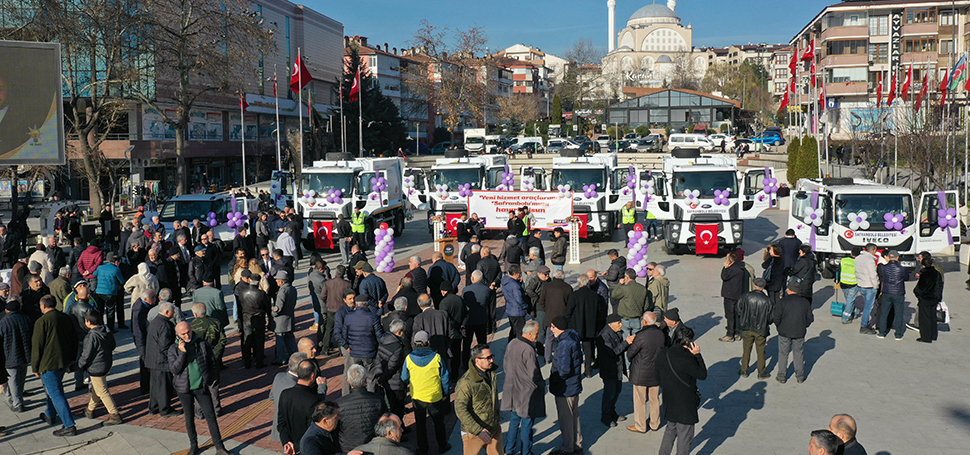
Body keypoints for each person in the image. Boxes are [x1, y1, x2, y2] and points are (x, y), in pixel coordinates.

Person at [168, 320, 230, 455]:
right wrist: (182, 353)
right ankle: (194, 445)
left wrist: (210, 379)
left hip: (201, 387)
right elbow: (175, 369)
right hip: (184, 389)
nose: (187, 335)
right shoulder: (173, 349)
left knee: (211, 416)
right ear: (177, 335)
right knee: (189, 418)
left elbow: (212, 363)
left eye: (188, 332)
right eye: (183, 334)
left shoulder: (202, 343)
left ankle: (219, 447)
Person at [31, 295, 80, 436]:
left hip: (48, 363)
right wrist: (72, 359)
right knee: (52, 390)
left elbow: (37, 346)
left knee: (56, 393)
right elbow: (73, 339)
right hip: (63, 361)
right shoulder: (65, 317)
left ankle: (69, 425)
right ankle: (49, 415)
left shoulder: (41, 322)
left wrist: (35, 367)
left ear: (43, 306)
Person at [657, 326, 707, 455]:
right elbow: (702, 374)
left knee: (670, 431)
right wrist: (698, 355)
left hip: (669, 400)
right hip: (685, 404)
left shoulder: (664, 353)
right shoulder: (687, 359)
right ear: (689, 342)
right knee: (684, 437)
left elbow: (657, 376)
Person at [401, 331, 450, 455]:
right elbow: (444, 377)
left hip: (417, 397)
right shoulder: (436, 357)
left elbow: (404, 377)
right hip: (435, 396)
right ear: (428, 342)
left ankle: (423, 449)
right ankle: (442, 445)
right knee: (439, 423)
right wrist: (445, 393)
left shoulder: (409, 358)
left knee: (420, 425)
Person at [501, 320, 544, 455]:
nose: (538, 336)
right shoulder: (529, 350)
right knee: (526, 425)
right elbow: (533, 373)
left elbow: (505, 365)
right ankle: (526, 452)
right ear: (529, 333)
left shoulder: (512, 343)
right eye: (536, 334)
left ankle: (509, 449)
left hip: (513, 390)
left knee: (514, 422)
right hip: (526, 394)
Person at [78, 309, 122, 425]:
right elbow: (113, 345)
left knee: (102, 390)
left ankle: (114, 414)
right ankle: (90, 410)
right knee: (97, 388)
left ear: (88, 322)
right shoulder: (106, 331)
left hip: (96, 367)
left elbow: (86, 354)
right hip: (106, 364)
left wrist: (79, 365)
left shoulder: (91, 336)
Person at [456, 343, 500, 455]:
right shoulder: (466, 383)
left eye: (492, 356)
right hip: (473, 433)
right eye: (488, 358)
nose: (491, 360)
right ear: (477, 360)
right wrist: (478, 430)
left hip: (493, 429)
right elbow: (460, 409)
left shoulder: (491, 373)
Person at [548, 316, 582, 455]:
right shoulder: (573, 337)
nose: (551, 330)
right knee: (574, 417)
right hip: (574, 385)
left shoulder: (564, 345)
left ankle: (568, 448)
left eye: (553, 327)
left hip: (565, 388)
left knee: (566, 420)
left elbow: (563, 370)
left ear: (558, 327)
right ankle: (577, 444)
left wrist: (554, 380)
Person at [626, 311, 664, 434]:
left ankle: (641, 425)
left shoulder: (641, 336)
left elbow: (630, 353)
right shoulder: (660, 334)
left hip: (640, 373)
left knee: (640, 400)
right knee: (654, 399)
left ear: (645, 322)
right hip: (656, 371)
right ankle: (655, 423)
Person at [336, 364, 386, 452]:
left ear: (348, 381)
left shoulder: (339, 403)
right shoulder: (377, 399)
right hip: (372, 445)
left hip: (348, 448)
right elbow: (384, 420)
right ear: (366, 380)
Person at [278, 360, 324, 455]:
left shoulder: (285, 394)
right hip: (304, 448)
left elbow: (281, 423)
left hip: (290, 446)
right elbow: (312, 430)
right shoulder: (312, 400)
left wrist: (286, 443)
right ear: (312, 376)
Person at [190, 303, 226, 416]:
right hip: (214, 360)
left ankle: (199, 411)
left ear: (195, 314)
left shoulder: (192, 326)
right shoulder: (216, 322)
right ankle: (216, 409)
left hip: (199, 361)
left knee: (200, 386)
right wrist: (216, 354)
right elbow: (222, 340)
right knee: (214, 386)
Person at [774, 282, 814, 384]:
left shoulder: (782, 302)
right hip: (799, 332)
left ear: (788, 289)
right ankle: (800, 376)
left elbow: (776, 318)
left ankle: (781, 376)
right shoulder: (805, 302)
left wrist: (779, 327)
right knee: (798, 354)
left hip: (784, 332)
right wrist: (804, 325)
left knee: (783, 354)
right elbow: (810, 318)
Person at [565, 274, 604, 378]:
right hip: (590, 327)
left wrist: (567, 323)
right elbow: (599, 311)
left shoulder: (574, 295)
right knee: (588, 350)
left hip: (576, 327)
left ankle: (576, 370)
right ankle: (588, 371)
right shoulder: (595, 295)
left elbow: (568, 311)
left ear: (578, 283)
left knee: (576, 350)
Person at [597, 314, 632, 427]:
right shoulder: (605, 335)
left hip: (617, 368)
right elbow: (613, 352)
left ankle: (612, 411)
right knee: (609, 393)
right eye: (618, 323)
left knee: (617, 391)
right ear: (611, 324)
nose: (621, 324)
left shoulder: (616, 332)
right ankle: (605, 416)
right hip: (609, 370)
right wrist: (627, 342)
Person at [373, 319, 410, 420]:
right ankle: (398, 427)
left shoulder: (383, 340)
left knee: (390, 404)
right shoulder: (398, 346)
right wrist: (382, 379)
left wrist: (379, 377)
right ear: (399, 332)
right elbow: (392, 366)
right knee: (397, 408)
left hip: (385, 380)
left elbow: (378, 359)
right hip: (396, 382)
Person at [147, 303, 179, 416]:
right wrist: (172, 358)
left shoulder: (155, 322)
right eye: (173, 311)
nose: (174, 313)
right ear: (166, 312)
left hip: (152, 359)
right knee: (164, 386)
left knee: (155, 385)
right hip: (161, 360)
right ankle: (165, 408)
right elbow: (165, 345)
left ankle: (154, 406)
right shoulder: (165, 325)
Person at [0, 297, 32, 413]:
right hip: (25, 355)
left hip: (10, 356)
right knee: (21, 379)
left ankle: (17, 402)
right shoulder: (27, 319)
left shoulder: (3, 323)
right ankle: (19, 398)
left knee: (13, 380)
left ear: (7, 310)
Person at [736, 278, 772, 379]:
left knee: (746, 349)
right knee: (761, 351)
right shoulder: (767, 300)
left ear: (755, 286)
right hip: (761, 329)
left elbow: (738, 310)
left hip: (747, 327)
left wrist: (743, 319)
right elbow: (771, 317)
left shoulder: (746, 296)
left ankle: (744, 370)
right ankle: (761, 372)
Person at [238, 274, 270, 368]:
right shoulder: (261, 294)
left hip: (246, 318)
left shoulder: (242, 292)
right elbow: (267, 307)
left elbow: (240, 307)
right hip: (258, 318)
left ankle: (247, 362)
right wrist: (269, 318)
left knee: (247, 340)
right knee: (259, 341)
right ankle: (259, 362)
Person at [412, 293, 454, 363]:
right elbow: (451, 333)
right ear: (431, 302)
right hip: (443, 350)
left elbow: (416, 338)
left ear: (419, 305)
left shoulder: (418, 318)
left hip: (427, 354)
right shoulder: (443, 314)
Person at [877, 250, 908, 340]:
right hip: (898, 292)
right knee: (899, 314)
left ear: (888, 257)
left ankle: (882, 333)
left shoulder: (883, 268)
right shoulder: (901, 269)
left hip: (887, 292)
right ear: (897, 257)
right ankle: (898, 334)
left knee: (884, 313)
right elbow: (906, 278)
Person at [321, 265, 352, 353]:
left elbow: (323, 295)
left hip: (331, 308)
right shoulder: (347, 284)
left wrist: (328, 302)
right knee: (342, 329)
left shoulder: (328, 283)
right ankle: (341, 350)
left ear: (336, 272)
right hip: (342, 309)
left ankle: (325, 348)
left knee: (329, 329)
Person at [93, 253, 126, 331]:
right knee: (110, 310)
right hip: (110, 292)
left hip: (99, 291)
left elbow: (94, 274)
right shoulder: (116, 270)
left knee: (100, 310)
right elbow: (122, 281)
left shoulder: (100, 267)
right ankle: (111, 328)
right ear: (116, 262)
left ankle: (100, 326)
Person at [913, 256, 943, 343]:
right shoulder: (937, 273)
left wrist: (918, 294)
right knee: (932, 317)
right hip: (934, 298)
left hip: (925, 299)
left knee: (924, 318)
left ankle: (926, 337)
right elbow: (940, 285)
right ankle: (933, 335)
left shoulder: (925, 274)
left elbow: (920, 288)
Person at [614, 269, 649, 339]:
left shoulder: (624, 288)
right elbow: (646, 305)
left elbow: (614, 295)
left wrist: (619, 284)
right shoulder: (643, 289)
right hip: (637, 318)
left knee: (625, 340)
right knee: (636, 339)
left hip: (625, 318)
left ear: (626, 277)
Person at [273, 271, 299, 364]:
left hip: (281, 319)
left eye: (277, 279)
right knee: (290, 338)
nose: (276, 281)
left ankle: (281, 358)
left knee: (280, 339)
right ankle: (295, 356)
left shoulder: (282, 291)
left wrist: (272, 314)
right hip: (290, 317)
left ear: (282, 281)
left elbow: (278, 307)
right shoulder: (292, 288)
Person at [719, 251, 745, 342]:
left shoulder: (732, 269)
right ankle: (737, 332)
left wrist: (725, 267)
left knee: (730, 315)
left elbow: (724, 277)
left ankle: (730, 334)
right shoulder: (741, 267)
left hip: (730, 294)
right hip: (738, 294)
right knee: (737, 314)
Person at [854, 244, 879, 334]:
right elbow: (873, 274)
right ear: (872, 250)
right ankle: (864, 325)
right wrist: (876, 285)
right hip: (869, 286)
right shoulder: (870, 260)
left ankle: (866, 323)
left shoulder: (858, 258)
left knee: (866, 305)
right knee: (868, 307)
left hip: (861, 284)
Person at [502, 264, 528, 341]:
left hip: (510, 309)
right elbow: (519, 299)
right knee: (520, 332)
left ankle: (510, 345)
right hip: (518, 311)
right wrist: (525, 306)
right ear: (516, 273)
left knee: (513, 330)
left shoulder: (505, 281)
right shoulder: (515, 285)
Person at [836, 247, 861, 323]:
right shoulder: (858, 262)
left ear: (851, 253)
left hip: (843, 283)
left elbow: (838, 270)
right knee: (850, 301)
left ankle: (855, 312)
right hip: (853, 284)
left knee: (849, 300)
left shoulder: (843, 260)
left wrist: (836, 281)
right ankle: (845, 318)